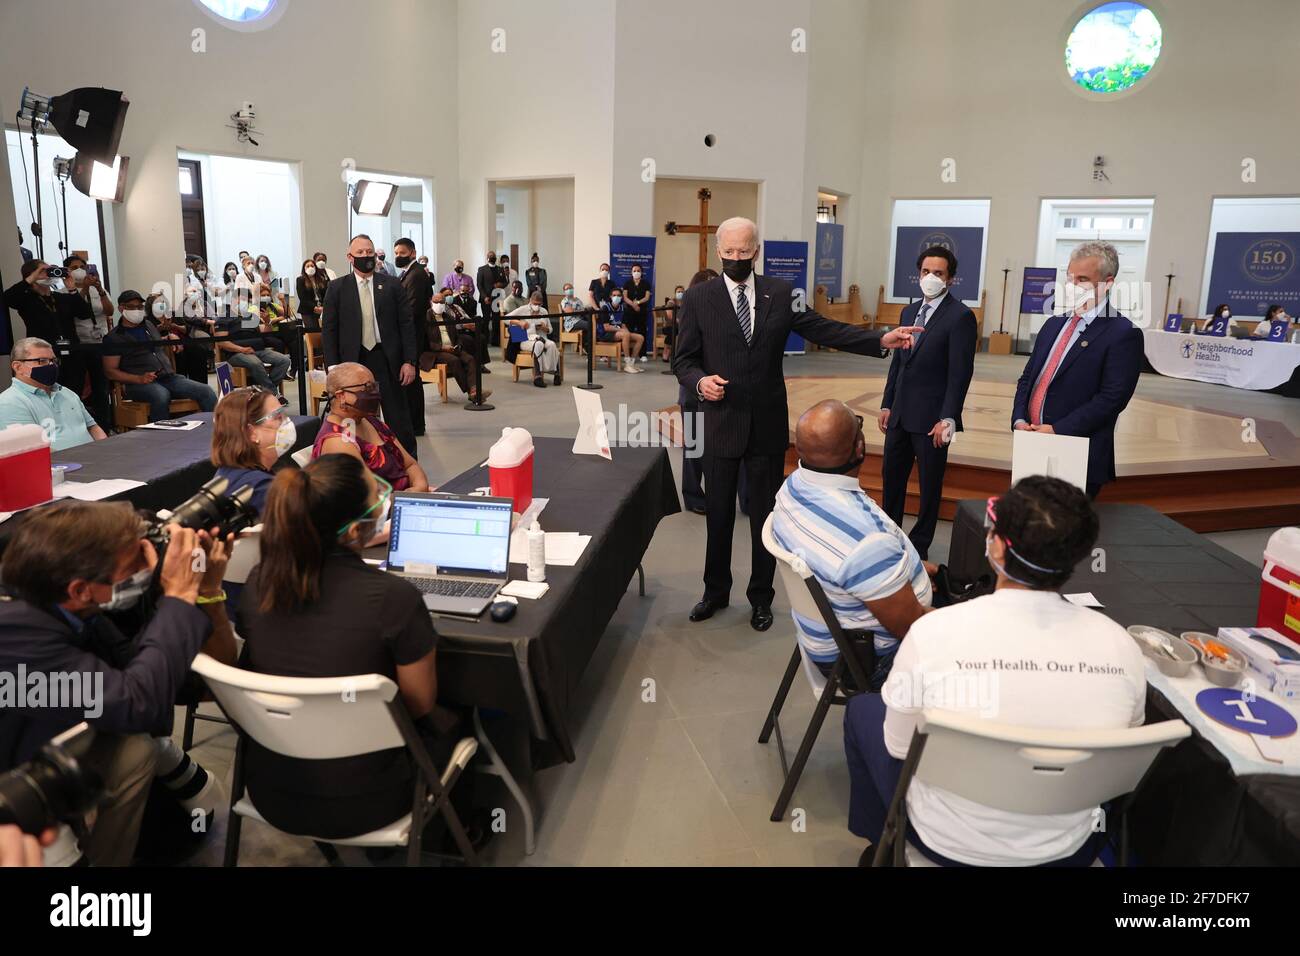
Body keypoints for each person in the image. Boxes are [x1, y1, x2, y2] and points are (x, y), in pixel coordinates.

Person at [844, 476, 1146, 867]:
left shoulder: (932, 633)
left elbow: (900, 748)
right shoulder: (1121, 645)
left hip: (945, 841)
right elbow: (1121, 754)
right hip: (1065, 848)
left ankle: (884, 844)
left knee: (862, 710)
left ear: (999, 548)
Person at [673, 217, 921, 632]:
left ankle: (761, 598)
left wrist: (879, 339)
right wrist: (699, 381)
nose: (737, 258)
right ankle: (714, 593)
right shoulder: (699, 299)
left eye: (744, 251)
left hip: (767, 426)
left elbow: (823, 328)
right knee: (718, 516)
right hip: (719, 425)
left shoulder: (781, 293)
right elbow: (682, 359)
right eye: (729, 252)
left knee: (763, 518)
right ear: (718, 252)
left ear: (756, 250)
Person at [237, 453, 462, 839]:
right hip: (371, 802)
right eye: (378, 494)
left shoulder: (259, 584)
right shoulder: (394, 599)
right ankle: (459, 830)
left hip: (272, 792)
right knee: (463, 711)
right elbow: (419, 704)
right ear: (359, 529)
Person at [0, 501, 236, 865]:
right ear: (80, 589)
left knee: (136, 750)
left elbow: (150, 675)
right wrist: (178, 596)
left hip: (32, 744)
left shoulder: (58, 603)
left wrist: (201, 590)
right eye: (133, 565)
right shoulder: (15, 633)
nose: (147, 568)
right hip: (12, 784)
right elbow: (137, 704)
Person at [772, 400, 934, 690]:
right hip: (870, 659)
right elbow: (913, 628)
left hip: (824, 633)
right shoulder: (867, 543)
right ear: (860, 449)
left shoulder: (792, 487)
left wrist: (905, 567)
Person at [1011, 240, 1143, 500]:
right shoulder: (1053, 325)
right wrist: (1018, 420)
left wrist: (1057, 429)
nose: (1073, 286)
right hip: (1032, 442)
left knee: (1064, 533)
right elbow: (1029, 378)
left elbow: (1112, 399)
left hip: (1077, 451)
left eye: (1083, 279)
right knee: (1026, 526)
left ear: (1108, 283)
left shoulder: (1122, 333)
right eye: (1070, 278)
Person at [879, 246, 978, 560]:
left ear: (951, 279)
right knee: (891, 481)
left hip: (931, 419)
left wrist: (947, 417)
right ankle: (890, 539)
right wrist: (886, 403)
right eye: (926, 272)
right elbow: (899, 364)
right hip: (899, 415)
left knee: (929, 488)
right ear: (918, 274)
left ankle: (919, 546)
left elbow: (959, 373)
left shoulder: (961, 316)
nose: (930, 278)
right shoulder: (908, 312)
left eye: (938, 273)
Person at [321, 234, 420, 460]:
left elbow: (406, 325)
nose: (366, 256)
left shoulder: (393, 285)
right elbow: (329, 329)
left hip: (387, 359)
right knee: (356, 417)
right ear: (350, 257)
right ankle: (361, 463)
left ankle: (408, 463)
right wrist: (334, 367)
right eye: (361, 253)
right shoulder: (337, 288)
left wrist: (409, 361)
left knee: (398, 417)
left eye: (369, 252)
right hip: (352, 362)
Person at [102, 290, 217, 421]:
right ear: (121, 308)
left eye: (140, 307)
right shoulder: (114, 338)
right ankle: (161, 437)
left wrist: (169, 337)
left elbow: (153, 346)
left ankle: (213, 432)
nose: (138, 310)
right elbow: (110, 371)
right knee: (161, 395)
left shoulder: (148, 325)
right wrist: (139, 379)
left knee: (206, 391)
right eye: (133, 307)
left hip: (168, 377)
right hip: (138, 384)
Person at [315, 362, 429, 492]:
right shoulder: (337, 441)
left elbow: (410, 464)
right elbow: (369, 498)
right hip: (381, 508)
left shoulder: (370, 421)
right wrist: (406, 498)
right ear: (342, 396)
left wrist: (419, 487)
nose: (374, 393)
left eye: (374, 387)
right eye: (367, 388)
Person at [0, 337, 107, 449]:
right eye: (42, 361)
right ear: (18, 367)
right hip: (60, 465)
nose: (51, 366)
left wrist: (106, 450)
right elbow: (32, 448)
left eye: (53, 361)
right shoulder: (9, 402)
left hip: (95, 459)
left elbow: (93, 428)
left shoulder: (66, 392)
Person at [3, 259, 90, 393]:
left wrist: (72, 288)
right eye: (43, 270)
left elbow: (84, 313)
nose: (48, 273)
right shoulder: (26, 299)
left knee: (73, 392)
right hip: (43, 355)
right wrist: (32, 278)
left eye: (49, 270)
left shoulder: (61, 298)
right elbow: (6, 299)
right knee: (47, 391)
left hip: (71, 353)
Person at [211, 385, 297, 515]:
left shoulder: (230, 472)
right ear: (252, 433)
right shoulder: (261, 489)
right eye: (277, 417)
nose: (287, 422)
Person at [678, 270, 717, 513]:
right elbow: (684, 360)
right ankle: (693, 496)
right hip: (694, 391)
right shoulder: (691, 314)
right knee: (694, 446)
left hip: (719, 391)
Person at [59, 255, 113, 429]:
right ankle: (78, 427)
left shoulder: (96, 289)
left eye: (82, 266)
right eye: (74, 267)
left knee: (101, 387)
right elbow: (76, 310)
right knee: (77, 386)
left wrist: (100, 289)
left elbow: (109, 310)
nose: (80, 269)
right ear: (67, 271)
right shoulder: (62, 293)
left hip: (100, 342)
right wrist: (82, 289)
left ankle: (104, 426)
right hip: (79, 344)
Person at [395, 238, 434, 438]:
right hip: (410, 333)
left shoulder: (417, 274)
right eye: (396, 253)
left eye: (402, 253)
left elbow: (412, 307)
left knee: (412, 380)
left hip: (413, 334)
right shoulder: (408, 273)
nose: (397, 257)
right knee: (410, 381)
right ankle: (413, 421)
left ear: (412, 253)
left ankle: (416, 424)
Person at [422, 292, 488, 403]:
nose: (439, 304)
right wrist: (443, 347)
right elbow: (425, 342)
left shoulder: (448, 317)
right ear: (431, 302)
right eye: (436, 302)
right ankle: (471, 392)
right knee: (455, 360)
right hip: (435, 351)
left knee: (471, 359)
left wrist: (458, 346)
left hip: (453, 348)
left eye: (441, 302)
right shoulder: (426, 318)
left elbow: (457, 336)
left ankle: (474, 389)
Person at [508, 292, 561, 387]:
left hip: (542, 337)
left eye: (539, 304)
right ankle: (537, 376)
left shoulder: (544, 311)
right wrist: (519, 323)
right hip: (526, 339)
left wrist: (545, 328)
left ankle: (556, 373)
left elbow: (550, 329)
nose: (537, 306)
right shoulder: (523, 310)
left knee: (552, 345)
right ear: (530, 301)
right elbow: (505, 318)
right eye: (535, 303)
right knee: (539, 344)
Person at [596, 290, 644, 372]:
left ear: (621, 297)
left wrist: (626, 331)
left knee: (640, 338)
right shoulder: (605, 308)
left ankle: (631, 363)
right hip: (606, 334)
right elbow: (606, 327)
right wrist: (623, 331)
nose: (616, 297)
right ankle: (627, 362)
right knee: (625, 335)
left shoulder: (622, 308)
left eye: (618, 295)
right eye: (614, 295)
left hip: (618, 332)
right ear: (610, 296)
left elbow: (623, 325)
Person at [623, 264, 653, 361]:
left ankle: (642, 354)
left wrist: (638, 303)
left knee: (642, 331)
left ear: (641, 272)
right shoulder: (627, 283)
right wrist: (633, 304)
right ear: (631, 272)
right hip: (629, 311)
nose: (636, 272)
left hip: (641, 311)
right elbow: (625, 297)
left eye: (638, 270)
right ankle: (629, 354)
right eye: (634, 270)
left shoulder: (646, 283)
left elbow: (647, 297)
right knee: (629, 332)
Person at [296, 258, 329, 332]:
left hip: (322, 309)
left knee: (324, 331)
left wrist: (323, 307)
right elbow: (302, 297)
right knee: (313, 332)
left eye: (312, 266)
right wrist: (314, 308)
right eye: (307, 266)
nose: (310, 268)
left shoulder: (321, 279)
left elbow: (326, 295)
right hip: (308, 310)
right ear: (304, 269)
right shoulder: (300, 280)